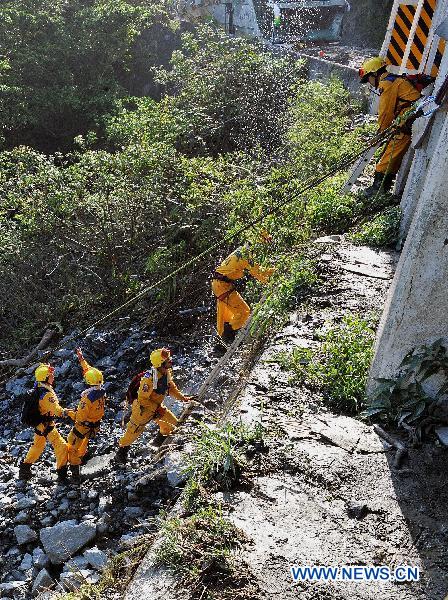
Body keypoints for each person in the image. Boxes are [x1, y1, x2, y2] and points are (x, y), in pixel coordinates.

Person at [115, 348, 194, 464]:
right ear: (160, 364)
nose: (170, 362)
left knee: (172, 426)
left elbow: (171, 388)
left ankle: (158, 443)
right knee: (133, 432)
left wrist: (183, 398)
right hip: (143, 409)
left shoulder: (166, 373)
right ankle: (121, 453)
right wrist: (156, 408)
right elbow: (142, 399)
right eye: (167, 361)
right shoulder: (149, 378)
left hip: (156, 407)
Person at [359, 56, 421, 197]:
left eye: (368, 79)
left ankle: (378, 189)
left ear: (374, 74)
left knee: (390, 153)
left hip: (408, 121)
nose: (369, 83)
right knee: (392, 151)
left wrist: (380, 132)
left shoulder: (386, 84)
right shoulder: (393, 79)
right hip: (408, 119)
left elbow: (386, 112)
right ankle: (382, 187)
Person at [212, 234, 274, 344]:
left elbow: (255, 271)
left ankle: (225, 336)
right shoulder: (246, 256)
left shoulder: (241, 251)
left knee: (237, 312)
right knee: (244, 311)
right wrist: (274, 274)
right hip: (222, 286)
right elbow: (258, 271)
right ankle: (228, 337)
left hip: (221, 285)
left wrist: (268, 281)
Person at [19, 364, 71, 481]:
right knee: (61, 446)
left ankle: (24, 469)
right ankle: (62, 474)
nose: (53, 377)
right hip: (46, 425)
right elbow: (58, 411)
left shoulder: (39, 389)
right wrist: (69, 412)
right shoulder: (47, 394)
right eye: (51, 375)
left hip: (39, 424)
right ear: (45, 378)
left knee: (38, 446)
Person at [67, 348, 106, 479]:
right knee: (84, 443)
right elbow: (89, 371)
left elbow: (80, 417)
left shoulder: (87, 398)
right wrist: (81, 358)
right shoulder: (101, 390)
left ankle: (75, 471)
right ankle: (81, 458)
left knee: (72, 446)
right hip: (94, 425)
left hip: (84, 425)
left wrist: (68, 413)